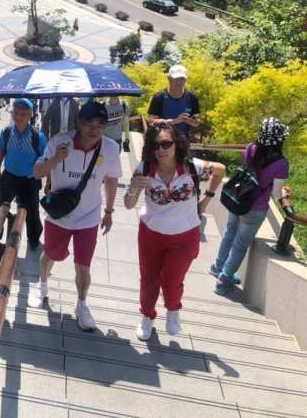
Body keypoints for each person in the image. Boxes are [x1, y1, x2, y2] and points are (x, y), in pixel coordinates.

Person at [124, 123, 225, 340]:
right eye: (155, 145)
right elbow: (128, 204)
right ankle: (147, 316)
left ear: (176, 143)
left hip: (185, 236)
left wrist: (207, 199)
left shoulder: (191, 167)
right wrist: (133, 189)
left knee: (171, 278)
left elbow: (220, 170)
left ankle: (173, 309)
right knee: (149, 279)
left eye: (166, 144)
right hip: (151, 234)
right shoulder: (144, 169)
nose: (161, 150)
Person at [30, 101, 121, 332]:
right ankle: (42, 284)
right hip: (59, 215)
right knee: (50, 254)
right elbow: (37, 172)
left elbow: (111, 179)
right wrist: (55, 161)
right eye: (88, 122)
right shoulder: (59, 142)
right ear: (78, 122)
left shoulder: (110, 148)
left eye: (100, 124)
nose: (94, 128)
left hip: (89, 216)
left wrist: (109, 211)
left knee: (83, 265)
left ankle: (81, 304)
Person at [212, 118, 292, 294]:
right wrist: (285, 194)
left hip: (239, 198)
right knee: (240, 245)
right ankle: (223, 279)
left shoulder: (250, 148)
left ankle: (218, 266)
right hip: (255, 207)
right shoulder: (282, 163)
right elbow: (276, 193)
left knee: (230, 232)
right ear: (280, 139)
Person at [0, 98, 47, 250]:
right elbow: (1, 151)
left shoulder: (38, 137)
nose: (18, 116)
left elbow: (45, 158)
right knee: (1, 210)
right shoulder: (7, 132)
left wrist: (48, 180)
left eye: (23, 113)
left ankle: (33, 238)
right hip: (9, 177)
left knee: (32, 212)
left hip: (29, 180)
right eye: (15, 113)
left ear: (30, 114)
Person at [148, 64, 200, 139]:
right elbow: (151, 122)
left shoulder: (192, 97)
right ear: (169, 78)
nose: (179, 82)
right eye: (176, 78)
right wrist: (174, 121)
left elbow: (196, 121)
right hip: (163, 143)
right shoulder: (159, 97)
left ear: (186, 79)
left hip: (184, 142)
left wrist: (193, 122)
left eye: (182, 78)